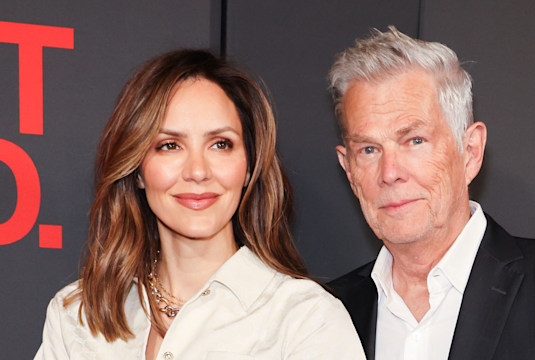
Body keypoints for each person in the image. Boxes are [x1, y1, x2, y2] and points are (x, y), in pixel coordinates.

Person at [327, 26, 535, 360]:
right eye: (369, 150)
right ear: (349, 169)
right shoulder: (326, 313)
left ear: (471, 151)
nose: (389, 173)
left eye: (415, 141)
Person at [35, 49, 365, 360]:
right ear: (137, 169)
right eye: (169, 146)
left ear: (248, 166)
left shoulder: (306, 320)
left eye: (220, 144)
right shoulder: (78, 316)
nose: (197, 171)